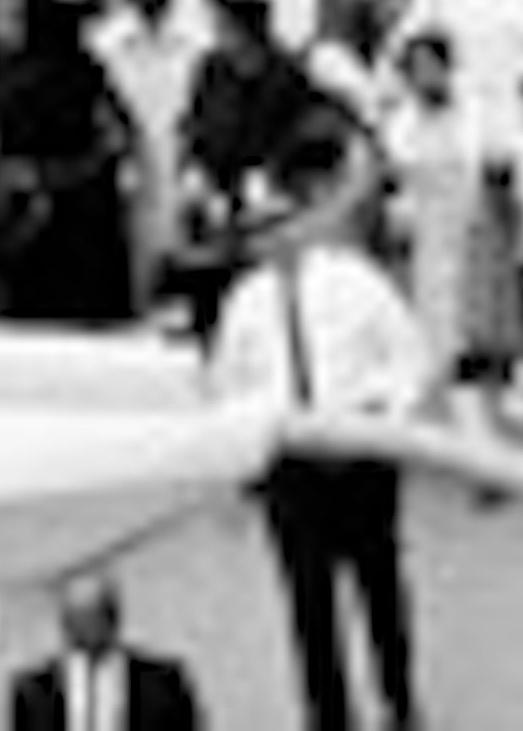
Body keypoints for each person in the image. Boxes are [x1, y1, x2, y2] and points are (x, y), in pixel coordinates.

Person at [208, 202, 432, 731]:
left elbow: (407, 355)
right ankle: (327, 712)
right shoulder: (245, 303)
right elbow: (227, 384)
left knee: (379, 585)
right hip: (292, 464)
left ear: (304, 225)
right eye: (260, 230)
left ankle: (398, 698)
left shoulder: (357, 283)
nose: (273, 238)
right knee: (309, 598)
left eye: (281, 223)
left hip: (359, 456)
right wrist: (251, 447)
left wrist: (385, 417)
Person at [4, 581, 207, 731]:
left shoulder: (163, 681)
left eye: (93, 620)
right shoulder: (34, 690)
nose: (86, 631)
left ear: (113, 620)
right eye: (77, 621)